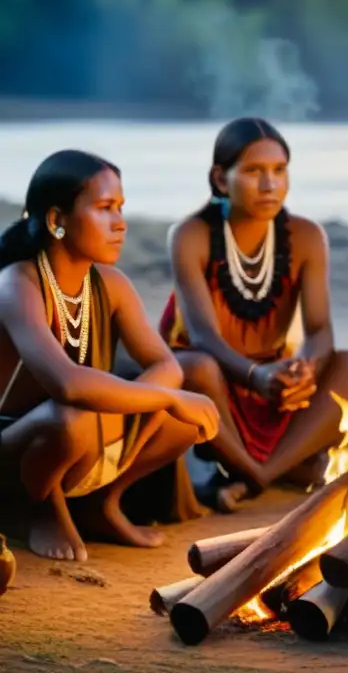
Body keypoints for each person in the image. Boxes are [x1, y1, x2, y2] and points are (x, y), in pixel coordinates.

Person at [0, 151, 219, 561]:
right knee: (71, 417)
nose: (120, 222)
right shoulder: (17, 284)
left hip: (73, 431)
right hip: (12, 444)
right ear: (55, 220)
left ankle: (102, 503)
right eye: (104, 208)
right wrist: (167, 398)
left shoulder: (111, 284)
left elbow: (166, 366)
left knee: (180, 417)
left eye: (120, 208)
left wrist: (164, 401)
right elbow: (67, 384)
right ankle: (37, 510)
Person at [161, 117, 348, 512]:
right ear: (221, 179)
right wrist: (257, 377)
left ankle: (255, 475)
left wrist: (304, 371)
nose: (270, 184)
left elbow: (320, 329)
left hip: (273, 382)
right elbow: (204, 338)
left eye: (279, 170)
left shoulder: (307, 236)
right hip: (215, 380)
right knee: (197, 367)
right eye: (254, 171)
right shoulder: (191, 235)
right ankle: (265, 475)